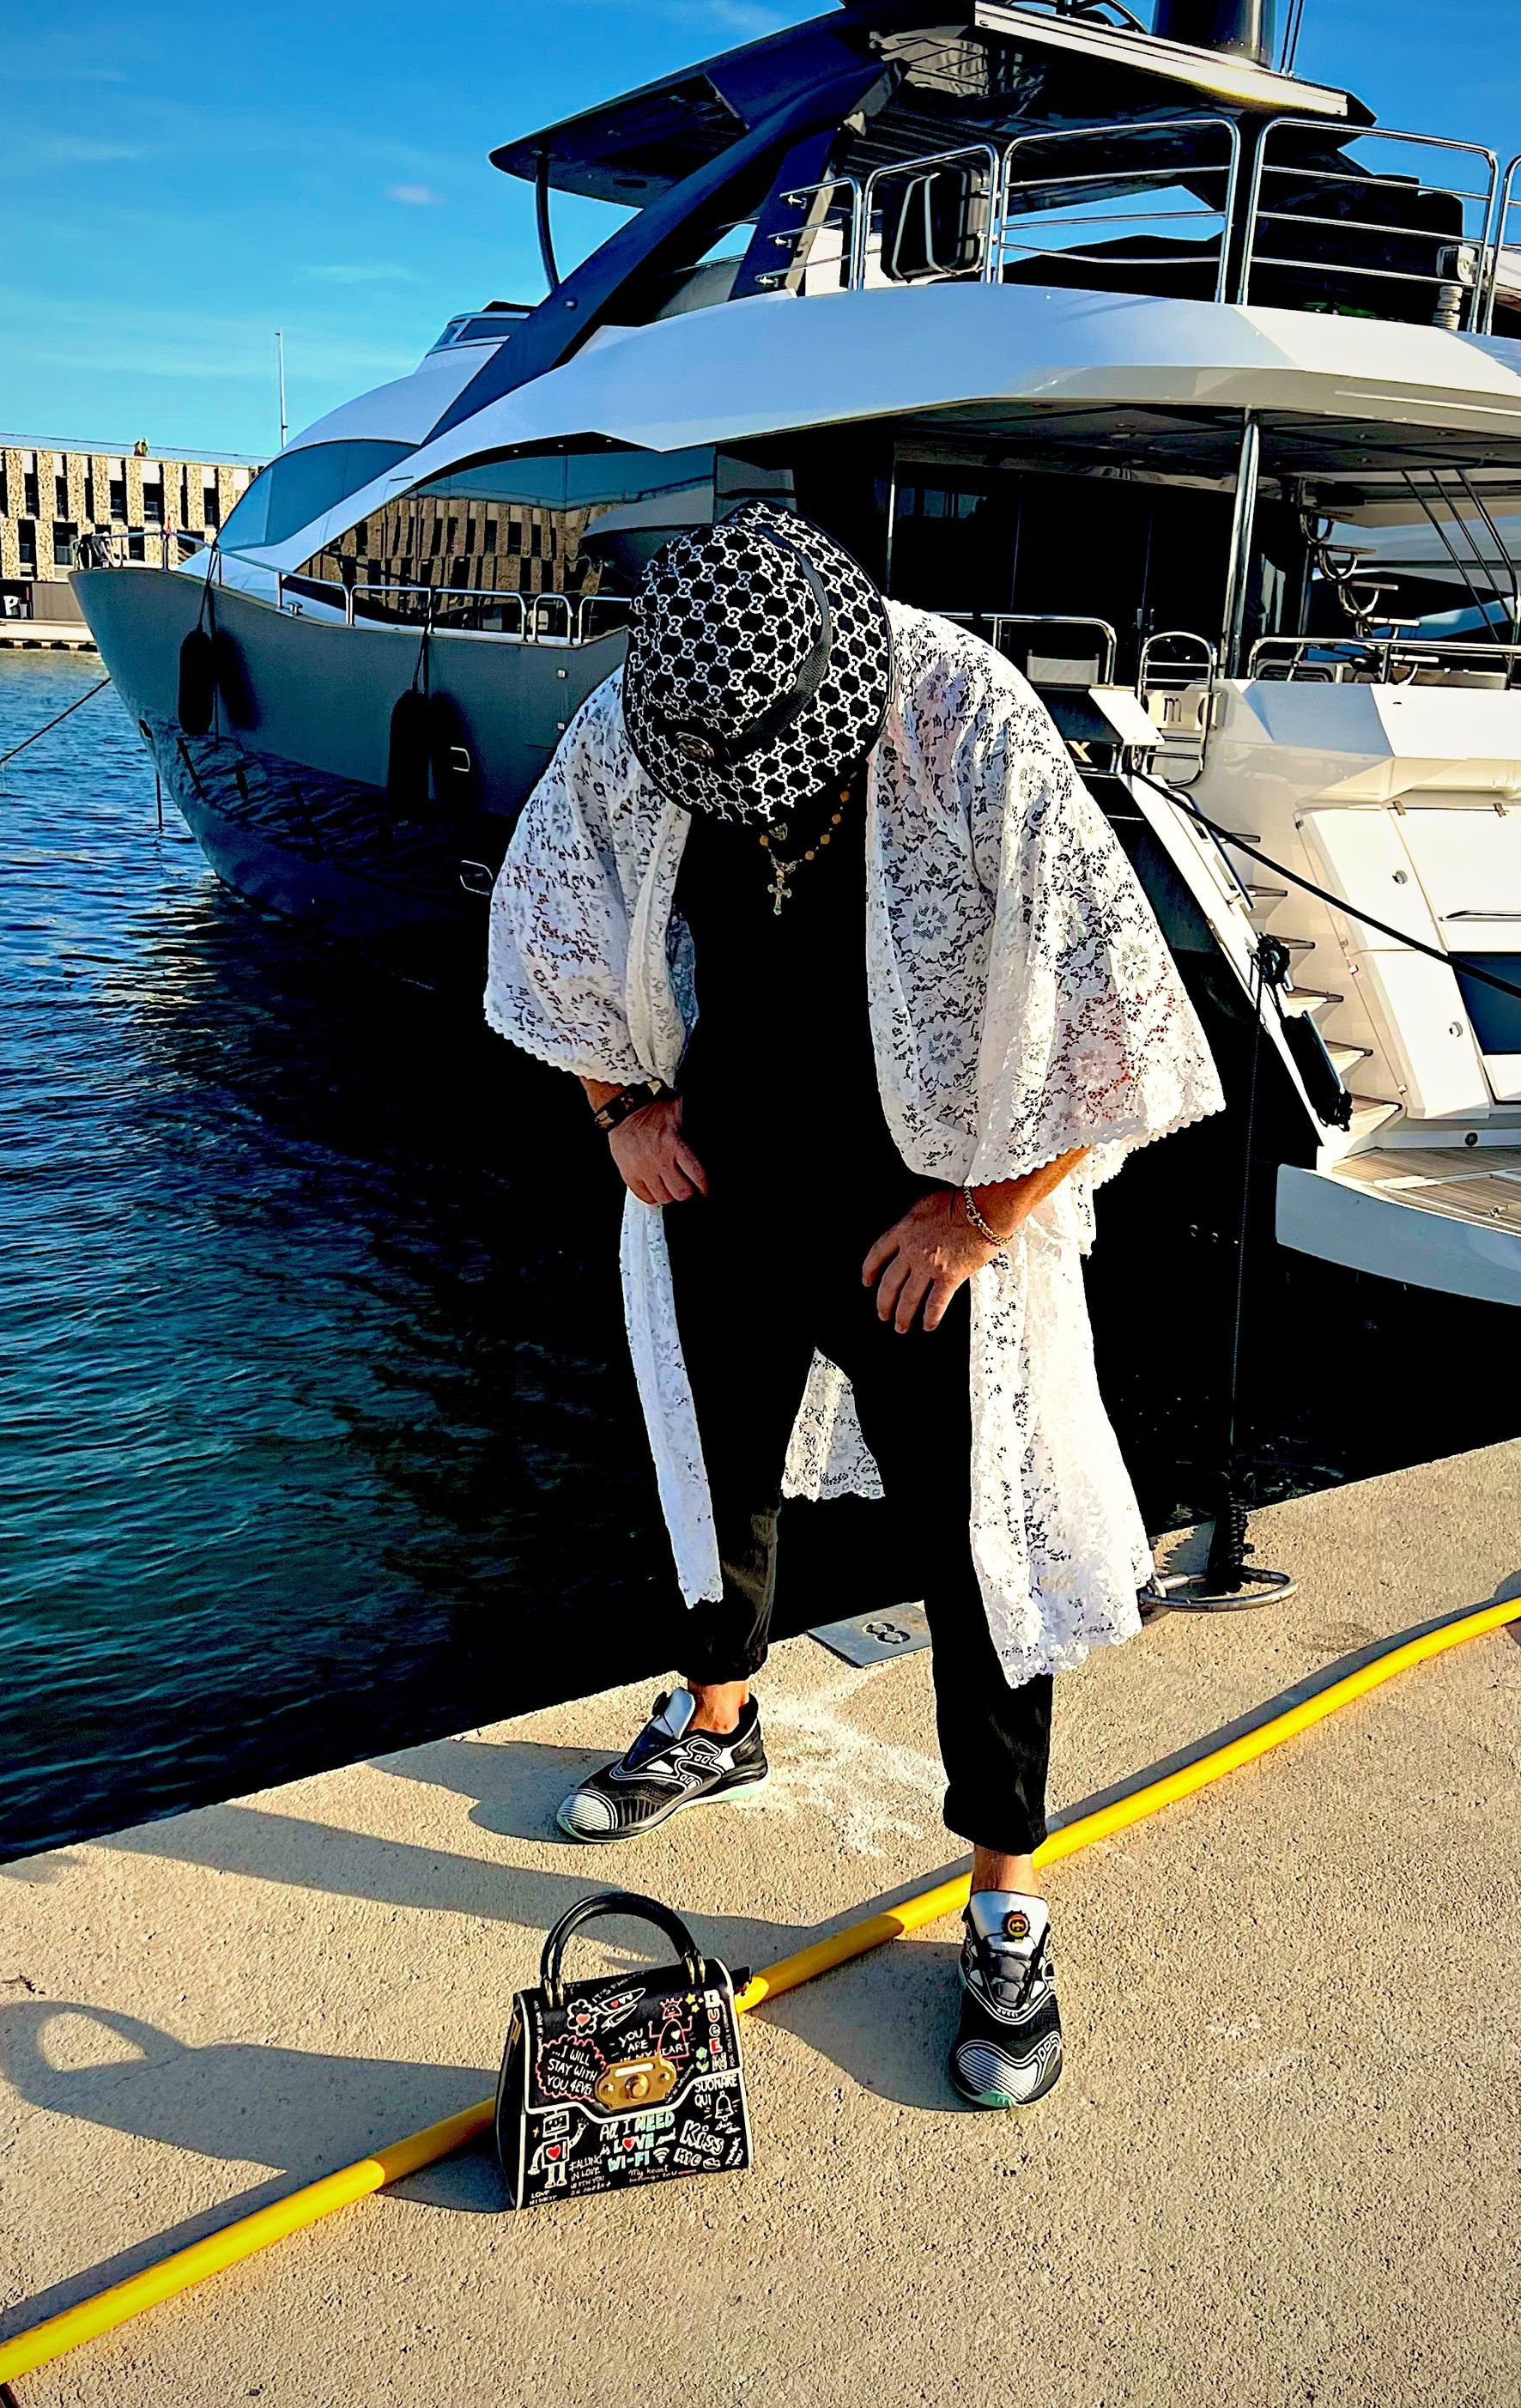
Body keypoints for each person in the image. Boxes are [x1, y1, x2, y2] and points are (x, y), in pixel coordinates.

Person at [487, 504, 1222, 2108]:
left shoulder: (968, 717)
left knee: (977, 1539)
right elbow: (549, 892)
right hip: (727, 1161)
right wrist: (618, 1110)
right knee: (719, 1461)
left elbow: (1121, 999)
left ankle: (1007, 1894)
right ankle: (721, 1713)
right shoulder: (657, 702)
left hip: (922, 1201)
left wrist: (985, 1214)